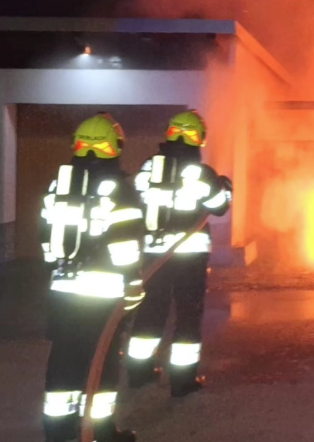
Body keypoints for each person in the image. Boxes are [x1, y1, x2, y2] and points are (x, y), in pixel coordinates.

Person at [40, 113, 145, 442]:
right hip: (103, 293)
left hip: (62, 290)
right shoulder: (118, 189)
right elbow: (124, 244)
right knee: (102, 362)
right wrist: (133, 282)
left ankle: (59, 430)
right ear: (115, 146)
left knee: (64, 359)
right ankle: (101, 431)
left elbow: (46, 236)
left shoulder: (60, 185)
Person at [126, 110, 231, 397]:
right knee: (188, 317)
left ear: (170, 134)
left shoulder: (148, 167)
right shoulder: (199, 173)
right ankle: (182, 381)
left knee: (150, 312)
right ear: (199, 138)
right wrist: (225, 187)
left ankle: (138, 373)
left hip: (153, 256)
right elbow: (220, 206)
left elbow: (135, 201)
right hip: (189, 258)